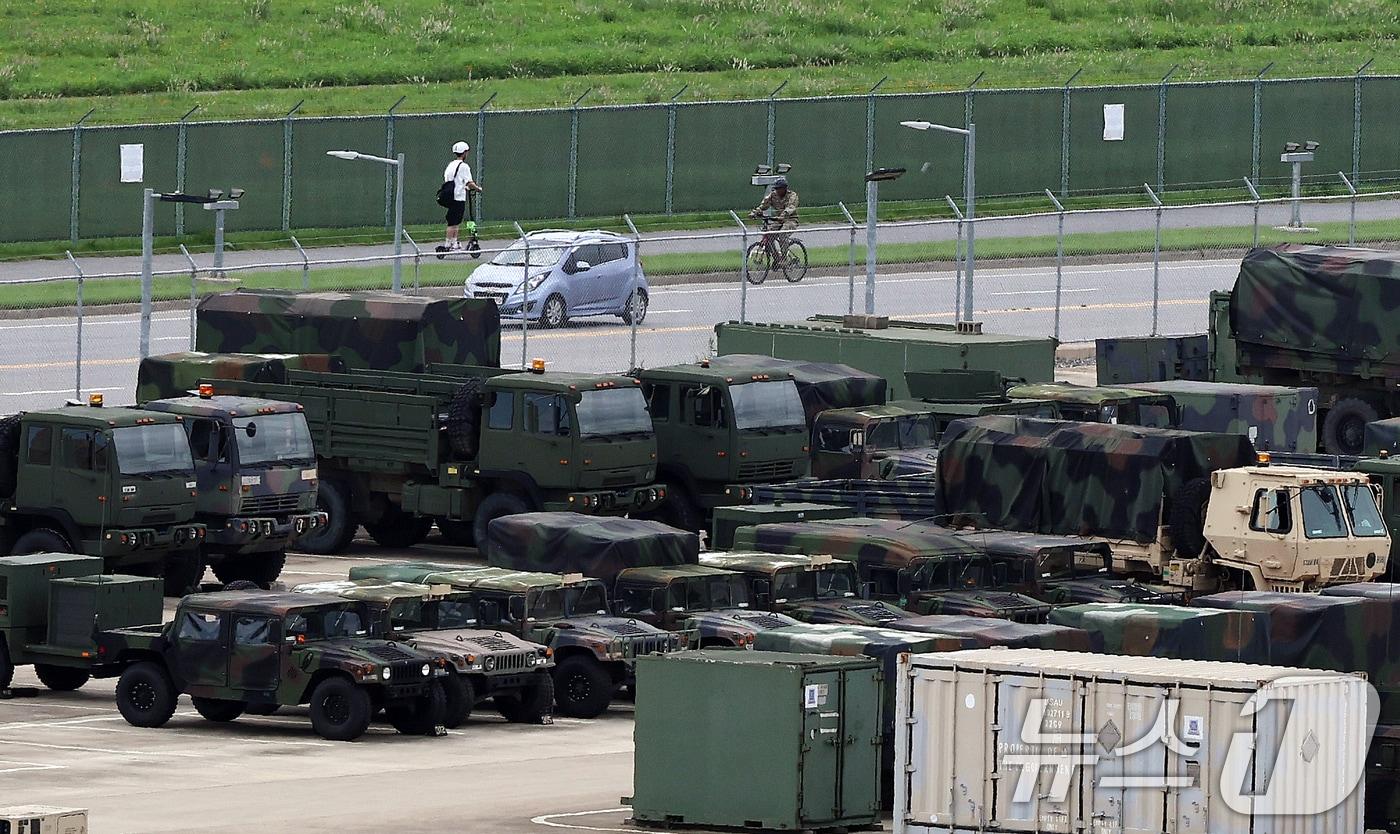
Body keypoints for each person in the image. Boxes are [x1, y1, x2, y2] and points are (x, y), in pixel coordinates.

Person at [441, 140, 483, 253]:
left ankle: (453, 242)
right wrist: (478, 189)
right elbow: (469, 182)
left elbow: (449, 179)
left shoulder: (451, 165)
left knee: (453, 221)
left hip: (450, 196)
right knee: (454, 222)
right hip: (458, 197)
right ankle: (449, 244)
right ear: (464, 153)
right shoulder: (464, 166)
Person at [749, 176, 798, 256]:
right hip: (778, 220)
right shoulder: (773, 195)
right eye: (776, 188)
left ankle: (784, 258)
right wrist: (755, 213)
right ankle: (776, 256)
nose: (777, 190)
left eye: (779, 188)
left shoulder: (792, 196)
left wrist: (782, 216)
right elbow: (763, 205)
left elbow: (790, 207)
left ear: (784, 188)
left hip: (790, 220)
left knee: (782, 235)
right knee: (768, 234)